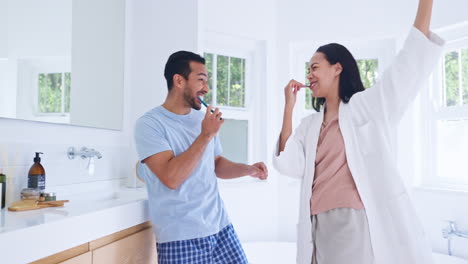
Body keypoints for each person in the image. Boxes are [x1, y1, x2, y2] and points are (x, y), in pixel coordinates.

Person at [273, 0, 444, 263]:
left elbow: (407, 66)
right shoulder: (309, 125)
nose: (309, 75)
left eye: (315, 67)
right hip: (315, 224)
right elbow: (288, 164)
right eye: (308, 69)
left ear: (337, 68)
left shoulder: (366, 107)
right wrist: (288, 107)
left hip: (350, 221)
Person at [134, 51, 268, 263]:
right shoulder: (150, 125)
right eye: (200, 80)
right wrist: (206, 135)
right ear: (178, 80)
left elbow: (215, 164)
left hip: (220, 227)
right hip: (181, 237)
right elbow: (171, 178)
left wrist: (248, 169)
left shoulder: (201, 120)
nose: (206, 89)